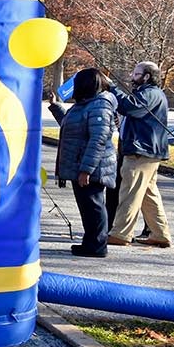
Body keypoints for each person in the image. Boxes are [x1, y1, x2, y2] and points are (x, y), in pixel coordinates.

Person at [49, 69, 118, 257]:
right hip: (83, 163)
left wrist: (86, 170)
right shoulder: (86, 104)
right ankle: (91, 243)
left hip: (94, 166)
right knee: (88, 206)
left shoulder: (100, 105)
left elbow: (98, 139)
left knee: (94, 206)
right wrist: (55, 106)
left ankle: (97, 245)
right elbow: (70, 125)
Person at [108, 61, 173, 248]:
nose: (131, 76)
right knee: (148, 195)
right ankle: (160, 234)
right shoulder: (149, 93)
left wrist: (112, 88)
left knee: (129, 193)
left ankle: (120, 234)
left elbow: (131, 108)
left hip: (141, 152)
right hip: (148, 151)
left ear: (146, 76)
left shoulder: (150, 93)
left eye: (136, 73)